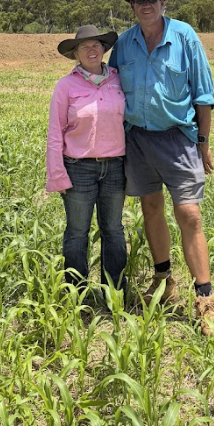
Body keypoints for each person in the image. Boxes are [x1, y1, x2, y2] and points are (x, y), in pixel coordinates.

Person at [109, 0, 214, 335]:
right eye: (140, 0)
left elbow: (203, 94)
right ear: (133, 6)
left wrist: (202, 143)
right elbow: (108, 90)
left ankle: (205, 300)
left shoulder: (185, 36)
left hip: (178, 138)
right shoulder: (124, 44)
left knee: (189, 214)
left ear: (163, 2)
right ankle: (163, 281)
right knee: (150, 207)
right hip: (138, 139)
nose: (146, 5)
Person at [46, 25, 127, 293]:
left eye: (96, 45)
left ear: (104, 49)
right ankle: (76, 293)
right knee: (77, 232)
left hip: (115, 167)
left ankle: (114, 292)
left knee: (113, 231)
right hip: (78, 169)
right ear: (76, 54)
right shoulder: (66, 86)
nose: (91, 50)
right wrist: (57, 174)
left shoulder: (118, 79)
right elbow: (56, 133)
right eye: (84, 46)